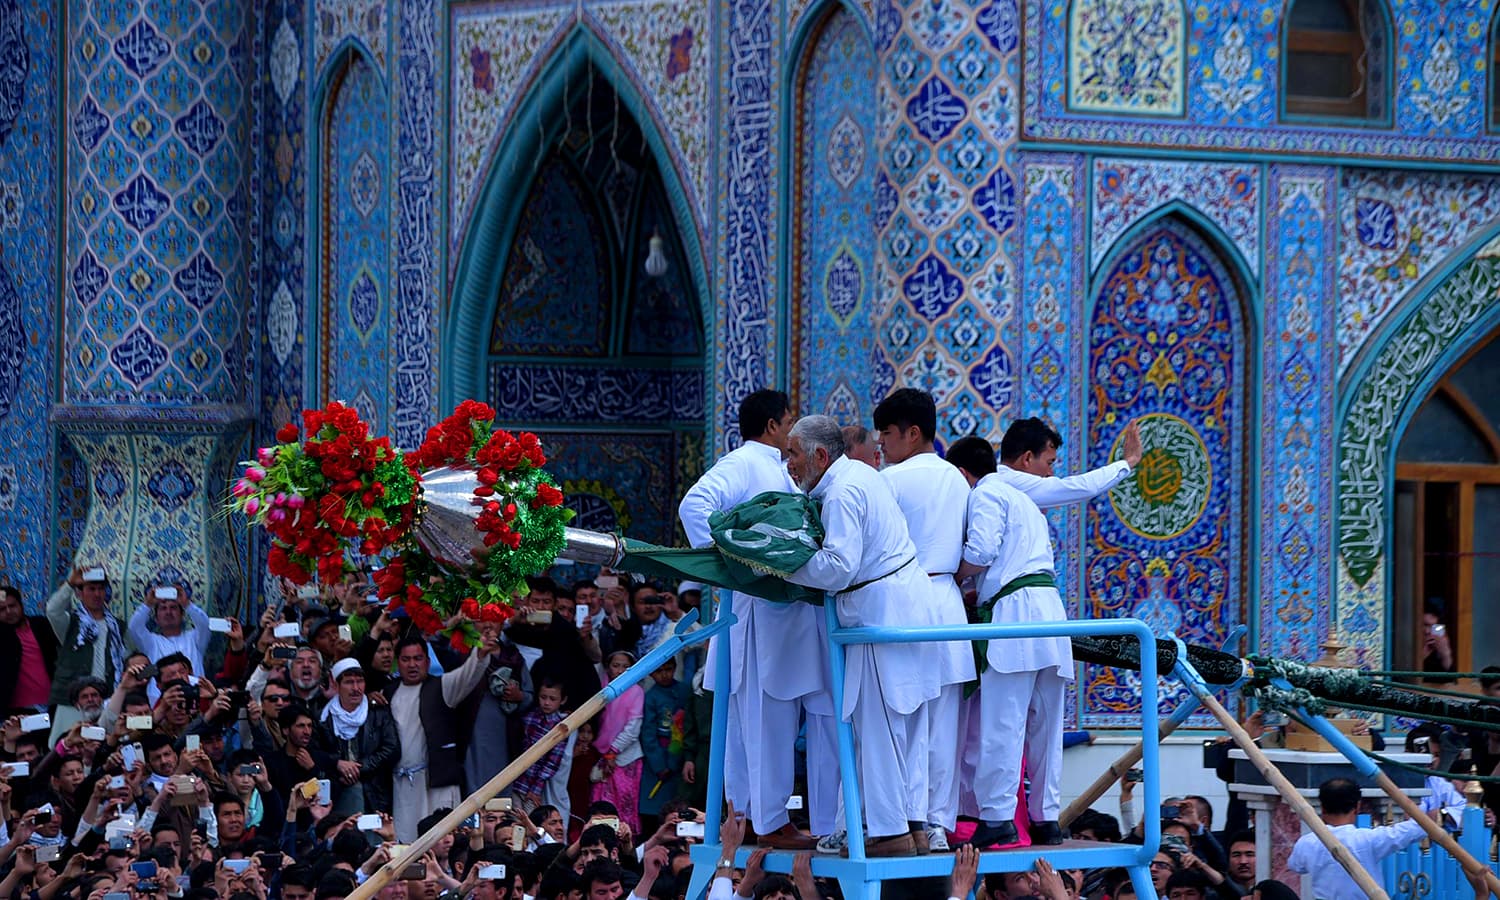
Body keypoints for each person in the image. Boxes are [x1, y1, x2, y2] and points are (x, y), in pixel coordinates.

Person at [677, 389, 835, 848]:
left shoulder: (781, 468)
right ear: (771, 426)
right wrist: (732, 566)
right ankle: (766, 821)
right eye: (790, 421)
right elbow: (695, 506)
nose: (794, 430)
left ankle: (752, 817)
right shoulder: (746, 463)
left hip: (785, 619)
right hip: (760, 615)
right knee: (763, 720)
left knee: (770, 721)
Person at [784, 415, 942, 857]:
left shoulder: (843, 491)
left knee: (879, 727)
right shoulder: (860, 476)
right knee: (905, 727)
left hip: (883, 614)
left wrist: (784, 566)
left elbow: (838, 567)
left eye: (793, 453)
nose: (788, 463)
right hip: (902, 608)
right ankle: (911, 827)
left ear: (819, 455)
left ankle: (890, 834)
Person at [949, 435, 1069, 847]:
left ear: (963, 474)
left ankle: (998, 816)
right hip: (1050, 611)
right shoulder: (1024, 501)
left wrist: (954, 578)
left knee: (1004, 721)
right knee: (1046, 723)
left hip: (1015, 615)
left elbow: (982, 552)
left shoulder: (985, 493)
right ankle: (1047, 818)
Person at [871, 388, 977, 852]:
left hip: (906, 601)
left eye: (887, 434)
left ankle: (908, 818)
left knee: (908, 719)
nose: (881, 444)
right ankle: (936, 822)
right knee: (944, 724)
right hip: (949, 599)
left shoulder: (890, 481)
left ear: (913, 433)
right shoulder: (958, 479)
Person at [384, 633, 496, 841]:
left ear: (427, 661)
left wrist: (479, 654)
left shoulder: (442, 686)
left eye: (418, 659)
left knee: (444, 839)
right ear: (397, 663)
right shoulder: (388, 693)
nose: (412, 665)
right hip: (402, 784)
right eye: (406, 659)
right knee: (405, 841)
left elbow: (467, 675)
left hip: (439, 780)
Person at [1286, 777, 1427, 900]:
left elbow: (1295, 865)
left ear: (1322, 807)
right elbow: (1419, 828)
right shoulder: (1367, 839)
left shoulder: (1307, 842)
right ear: (1357, 807)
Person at [46, 565, 126, 732]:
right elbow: (53, 611)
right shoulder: (70, 623)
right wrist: (70, 583)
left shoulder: (117, 627)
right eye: (91, 589)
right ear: (80, 593)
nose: (97, 594)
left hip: (105, 698)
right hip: (72, 700)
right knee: (67, 744)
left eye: (100, 589)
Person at [318, 658, 400, 815]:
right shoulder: (323, 717)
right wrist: (338, 765)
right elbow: (317, 753)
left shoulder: (378, 712)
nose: (356, 688)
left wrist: (358, 768)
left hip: (375, 792)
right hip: (338, 791)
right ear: (336, 685)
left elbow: (392, 749)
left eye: (360, 681)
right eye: (349, 682)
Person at [591, 651, 644, 831]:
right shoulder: (603, 688)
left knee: (624, 804)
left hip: (625, 757)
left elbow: (633, 728)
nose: (620, 671)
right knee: (601, 804)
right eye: (615, 665)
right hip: (601, 754)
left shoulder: (636, 691)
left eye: (625, 667)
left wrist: (613, 751)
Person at [638, 658, 688, 831]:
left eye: (668, 669)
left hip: (680, 753)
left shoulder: (683, 690)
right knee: (655, 805)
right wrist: (659, 765)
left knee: (679, 805)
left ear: (675, 668)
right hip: (658, 756)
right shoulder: (651, 697)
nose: (665, 675)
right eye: (660, 671)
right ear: (652, 673)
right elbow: (648, 733)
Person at [128, 585, 217, 679]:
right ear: (156, 619)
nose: (168, 612)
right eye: (163, 608)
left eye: (173, 608)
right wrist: (148, 604)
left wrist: (187, 604)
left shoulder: (195, 639)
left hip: (193, 692)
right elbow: (134, 627)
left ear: (182, 615)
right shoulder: (151, 642)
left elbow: (204, 625)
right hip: (160, 693)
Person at [514, 678, 570, 815]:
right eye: (543, 697)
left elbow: (551, 763)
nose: (546, 703)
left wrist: (535, 790)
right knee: (514, 819)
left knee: (530, 821)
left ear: (562, 700)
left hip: (534, 787)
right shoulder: (529, 717)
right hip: (516, 780)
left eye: (552, 699)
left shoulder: (560, 727)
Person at [0, 586, 56, 717]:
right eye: (2, 609)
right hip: (18, 713)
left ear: (21, 605)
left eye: (12, 606)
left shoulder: (41, 625)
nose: (8, 612)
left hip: (51, 706)